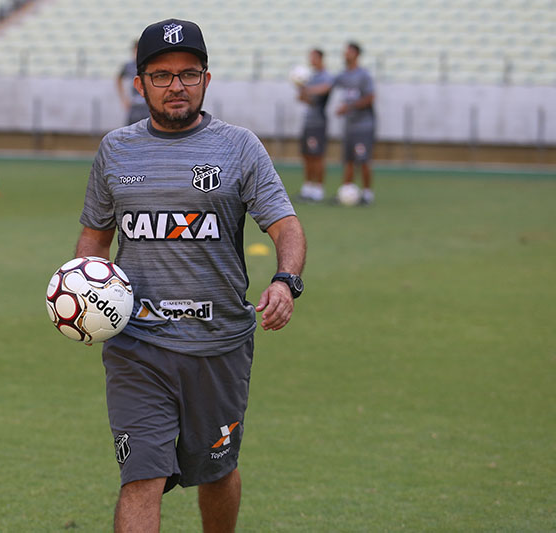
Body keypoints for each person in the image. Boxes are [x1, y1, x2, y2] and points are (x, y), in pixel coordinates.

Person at [76, 19, 307, 532]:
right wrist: (87, 299)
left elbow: (286, 226)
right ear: (140, 84)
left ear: (206, 79)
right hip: (137, 343)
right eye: (161, 75)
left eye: (188, 73)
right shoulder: (115, 150)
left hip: (218, 343)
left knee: (216, 471)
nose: (175, 85)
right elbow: (95, 238)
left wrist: (284, 280)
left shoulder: (240, 147)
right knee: (141, 477)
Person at [303, 42, 376, 204]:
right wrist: (306, 88)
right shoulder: (342, 76)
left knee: (363, 159)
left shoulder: (363, 75)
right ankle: (347, 190)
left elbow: (370, 98)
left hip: (363, 125)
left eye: (348, 51)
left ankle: (367, 193)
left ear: (356, 54)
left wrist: (349, 107)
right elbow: (328, 86)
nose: (345, 54)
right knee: (348, 160)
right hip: (349, 126)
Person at [295, 48, 334, 203]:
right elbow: (304, 99)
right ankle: (308, 187)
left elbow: (326, 89)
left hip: (318, 122)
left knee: (317, 155)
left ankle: (318, 188)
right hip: (308, 121)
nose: (311, 60)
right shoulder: (310, 76)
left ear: (320, 58)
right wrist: (300, 88)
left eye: (313, 57)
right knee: (307, 155)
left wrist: (307, 89)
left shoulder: (325, 76)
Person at [116, 41, 150, 125]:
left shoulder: (149, 65)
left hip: (148, 104)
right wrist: (123, 98)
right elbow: (118, 78)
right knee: (131, 132)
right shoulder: (129, 66)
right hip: (134, 105)